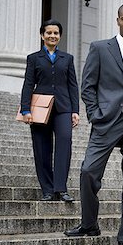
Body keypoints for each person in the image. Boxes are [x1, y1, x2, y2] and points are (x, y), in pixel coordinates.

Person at [64, 3, 123, 245]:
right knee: (88, 171)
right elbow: (88, 86)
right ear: (117, 20)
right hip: (107, 121)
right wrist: (95, 114)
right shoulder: (100, 48)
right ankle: (89, 223)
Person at [19, 19, 79, 202]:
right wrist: (25, 109)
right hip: (39, 108)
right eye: (49, 33)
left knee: (64, 143)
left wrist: (75, 110)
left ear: (59, 36)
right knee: (42, 148)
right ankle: (47, 189)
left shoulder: (67, 59)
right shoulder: (33, 58)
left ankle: (61, 188)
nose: (52, 36)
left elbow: (73, 85)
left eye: (56, 33)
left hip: (63, 107)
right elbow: (28, 84)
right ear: (42, 35)